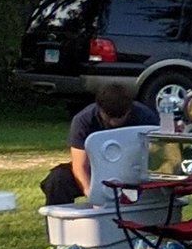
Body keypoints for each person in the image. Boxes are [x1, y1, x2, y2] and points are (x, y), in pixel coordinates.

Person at [40, 73, 159, 207]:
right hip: (95, 171)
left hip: (133, 171)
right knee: (58, 180)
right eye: (109, 116)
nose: (114, 121)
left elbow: (158, 157)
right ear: (99, 108)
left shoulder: (146, 118)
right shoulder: (83, 120)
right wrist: (91, 194)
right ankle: (59, 224)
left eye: (120, 116)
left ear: (130, 108)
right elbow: (80, 166)